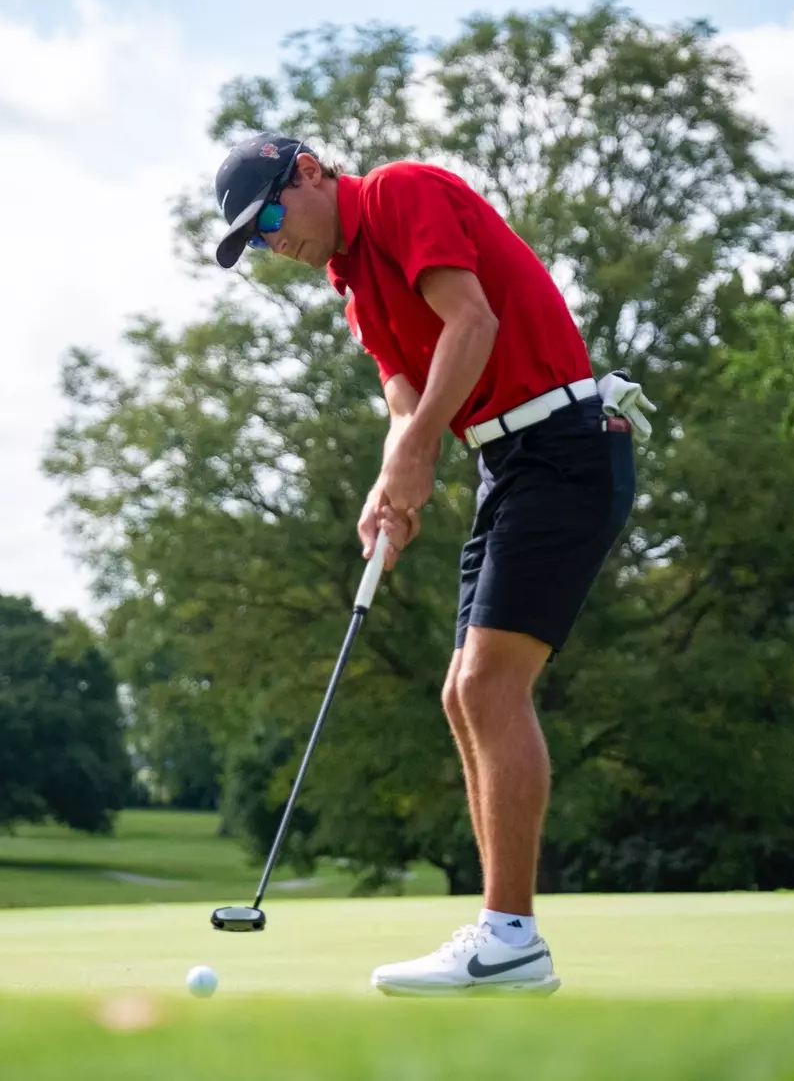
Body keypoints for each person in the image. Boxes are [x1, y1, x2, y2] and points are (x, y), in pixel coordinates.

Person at [212, 132, 652, 997]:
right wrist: (392, 481)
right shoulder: (354, 289)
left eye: (269, 216)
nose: (273, 241)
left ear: (308, 172)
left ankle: (511, 936)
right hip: (507, 466)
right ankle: (500, 928)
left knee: (491, 686)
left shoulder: (400, 194)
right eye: (255, 240)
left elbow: (472, 320)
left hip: (565, 444)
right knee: (461, 691)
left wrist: (416, 454)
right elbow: (404, 401)